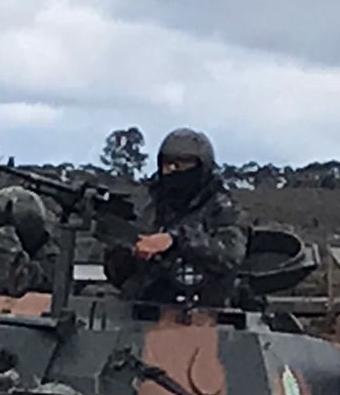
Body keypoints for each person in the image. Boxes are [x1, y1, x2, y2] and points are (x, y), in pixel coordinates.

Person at [105, 128, 247, 307]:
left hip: (207, 308)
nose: (171, 171)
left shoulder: (221, 207)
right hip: (144, 304)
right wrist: (127, 249)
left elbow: (231, 254)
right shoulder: (148, 201)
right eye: (167, 164)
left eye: (180, 165)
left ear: (201, 167)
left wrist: (176, 239)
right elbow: (117, 262)